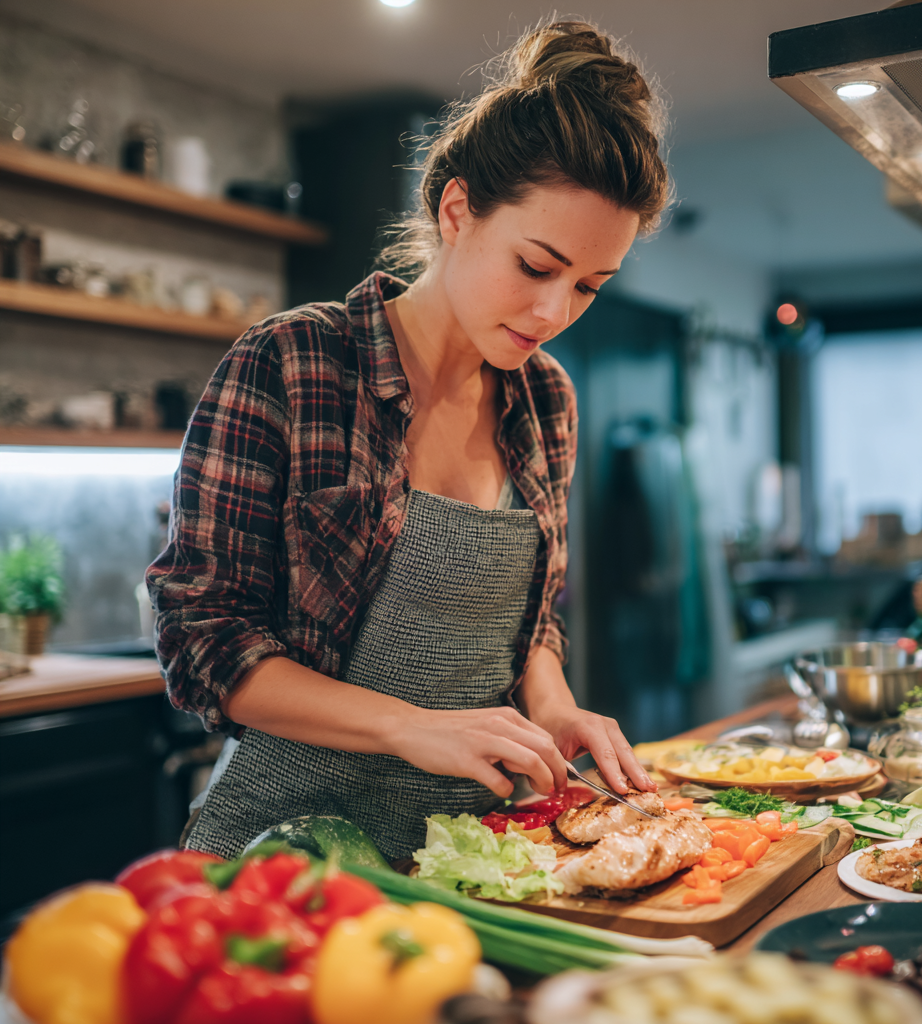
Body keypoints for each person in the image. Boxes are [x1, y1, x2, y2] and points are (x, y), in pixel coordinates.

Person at [147, 18, 671, 861]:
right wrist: (408, 728)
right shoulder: (292, 361)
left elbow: (530, 621)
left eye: (589, 286)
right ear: (457, 209)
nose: (554, 313)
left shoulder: (546, 400)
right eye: (537, 267)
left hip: (472, 856)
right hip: (283, 854)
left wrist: (555, 700)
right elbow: (203, 641)